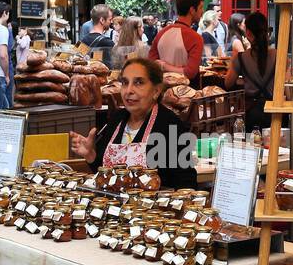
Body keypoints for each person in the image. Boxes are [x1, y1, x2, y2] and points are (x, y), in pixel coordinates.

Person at [69, 57, 198, 188]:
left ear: (156, 91)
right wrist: (91, 156)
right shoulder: (116, 120)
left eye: (139, 83)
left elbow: (187, 184)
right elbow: (106, 176)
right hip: (114, 206)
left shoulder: (171, 126)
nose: (129, 90)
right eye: (125, 83)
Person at [225, 10, 275, 132]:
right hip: (275, 112)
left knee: (253, 147)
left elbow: (228, 83)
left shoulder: (240, 58)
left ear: (248, 33)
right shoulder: (279, 56)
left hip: (251, 112)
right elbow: (287, 88)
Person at [149, 0, 204, 80]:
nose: (202, 12)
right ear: (192, 10)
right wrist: (165, 66)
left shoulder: (161, 33)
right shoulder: (195, 38)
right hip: (187, 91)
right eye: (201, 8)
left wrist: (163, 66)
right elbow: (190, 73)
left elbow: (151, 64)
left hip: (162, 89)